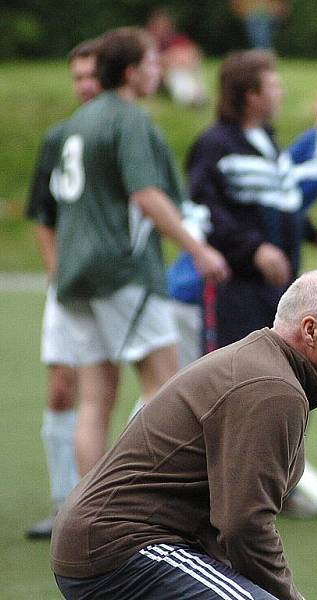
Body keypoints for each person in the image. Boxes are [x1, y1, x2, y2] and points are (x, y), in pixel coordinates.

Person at [50, 270, 317, 600]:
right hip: (122, 546)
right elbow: (244, 527)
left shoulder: (267, 368)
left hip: (113, 540)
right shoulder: (272, 388)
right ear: (310, 330)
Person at [49, 27, 229, 477]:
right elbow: (147, 195)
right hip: (120, 270)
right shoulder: (128, 119)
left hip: (75, 273)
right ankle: (137, 498)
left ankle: (86, 513)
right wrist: (199, 250)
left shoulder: (79, 121)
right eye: (152, 64)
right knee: (166, 389)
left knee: (94, 400)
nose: (158, 72)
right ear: (131, 71)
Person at [187, 49, 317, 351]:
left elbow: (280, 200)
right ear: (252, 96)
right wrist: (254, 248)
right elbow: (204, 210)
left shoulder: (266, 141)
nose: (281, 93)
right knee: (236, 376)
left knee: (278, 376)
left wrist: (314, 235)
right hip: (237, 288)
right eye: (274, 86)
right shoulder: (215, 144)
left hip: (276, 290)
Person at [23, 39, 101, 540]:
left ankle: (111, 499)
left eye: (92, 75)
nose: (85, 85)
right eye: (77, 77)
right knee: (63, 386)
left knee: (127, 388)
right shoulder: (58, 140)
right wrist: (56, 269)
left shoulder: (127, 133)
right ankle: (63, 499)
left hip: (117, 288)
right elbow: (42, 215)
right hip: (71, 287)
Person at [145, 8, 208, 106]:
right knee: (175, 72)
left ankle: (194, 94)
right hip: (161, 76)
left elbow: (195, 53)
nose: (162, 30)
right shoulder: (148, 41)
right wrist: (170, 58)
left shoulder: (175, 39)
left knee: (180, 68)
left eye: (164, 26)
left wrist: (177, 58)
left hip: (179, 70)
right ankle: (190, 97)